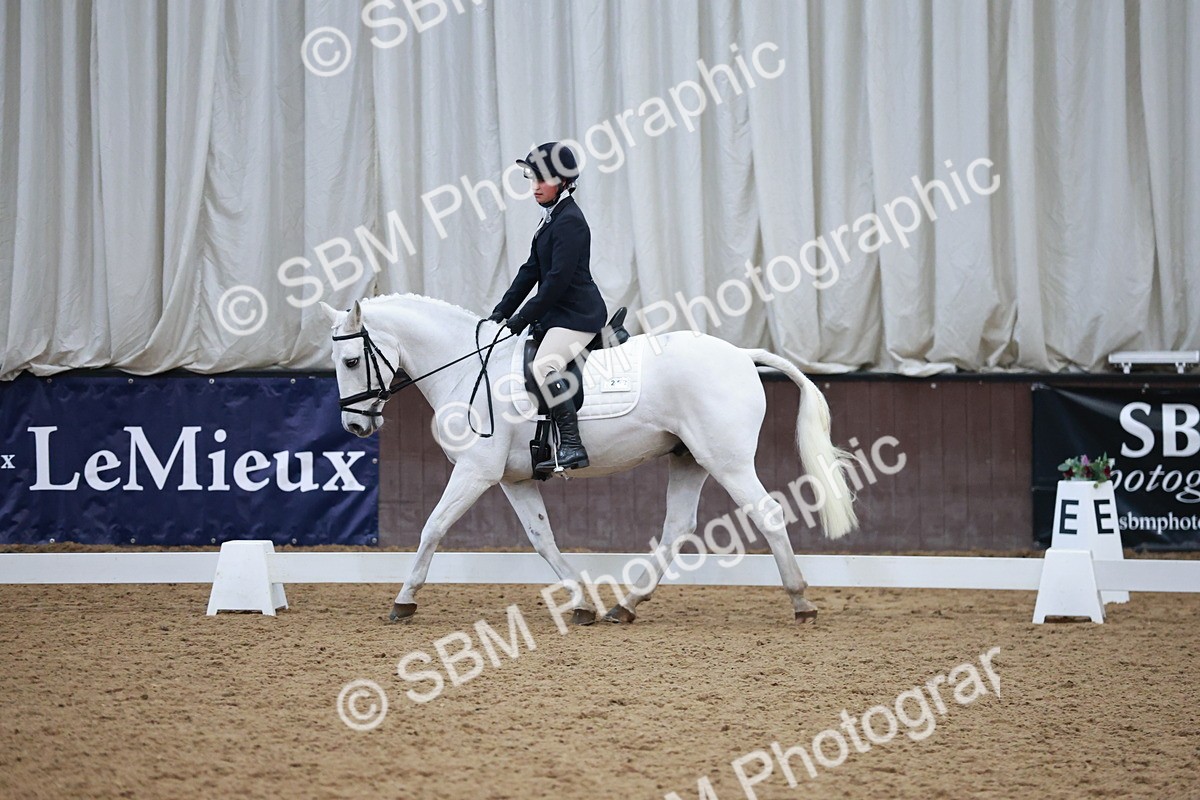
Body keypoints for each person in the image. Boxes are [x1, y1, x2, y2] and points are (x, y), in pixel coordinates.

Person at [489, 142, 607, 471]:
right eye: (532, 179)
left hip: (578, 316)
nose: (535, 187)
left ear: (565, 182)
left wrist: (519, 319)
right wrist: (499, 313)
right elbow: (530, 271)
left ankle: (571, 443)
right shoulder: (551, 219)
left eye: (544, 180)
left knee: (544, 366)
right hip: (560, 314)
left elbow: (555, 283)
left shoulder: (570, 222)